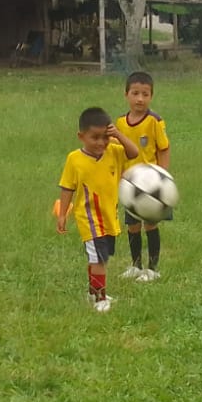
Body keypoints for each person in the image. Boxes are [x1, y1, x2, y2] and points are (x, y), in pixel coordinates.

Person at [56, 107, 140, 312]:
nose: (101, 142)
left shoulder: (114, 151)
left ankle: (93, 292)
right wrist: (62, 214)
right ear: (81, 136)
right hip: (89, 219)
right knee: (99, 259)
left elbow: (134, 152)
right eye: (95, 137)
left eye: (105, 137)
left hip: (109, 217)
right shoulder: (74, 159)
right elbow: (67, 187)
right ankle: (100, 299)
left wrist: (118, 135)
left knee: (101, 258)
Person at [116, 71, 171, 282]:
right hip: (130, 184)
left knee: (150, 225)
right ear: (126, 95)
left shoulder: (154, 121)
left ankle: (153, 269)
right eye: (135, 93)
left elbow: (164, 149)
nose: (140, 99)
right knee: (132, 225)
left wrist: (162, 177)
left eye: (145, 94)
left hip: (150, 184)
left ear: (151, 96)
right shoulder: (120, 123)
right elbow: (117, 151)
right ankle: (136, 265)